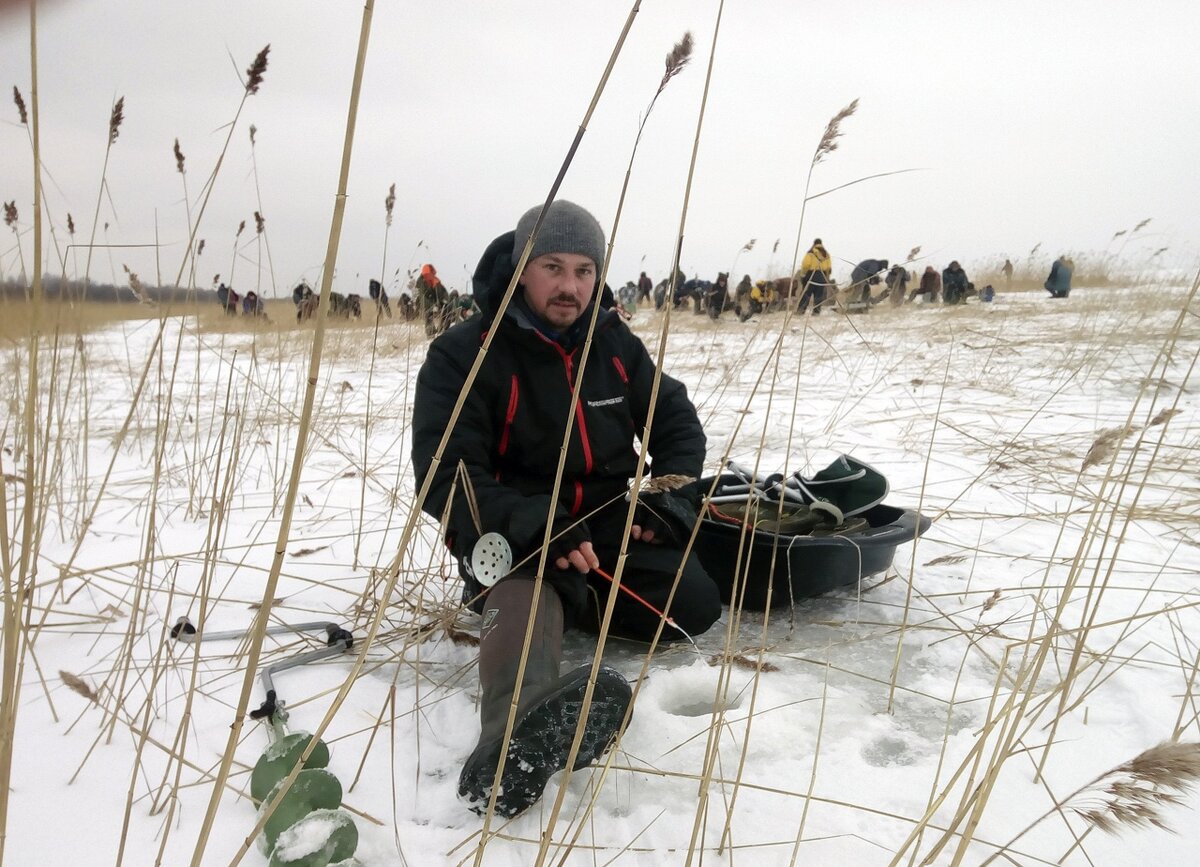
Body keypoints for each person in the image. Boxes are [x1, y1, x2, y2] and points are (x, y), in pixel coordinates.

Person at [412, 200, 720, 819]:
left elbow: (677, 425)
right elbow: (445, 476)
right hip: (519, 539)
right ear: (523, 269)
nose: (570, 286)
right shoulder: (463, 354)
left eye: (584, 270)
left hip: (605, 532)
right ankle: (505, 742)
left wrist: (668, 501)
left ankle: (567, 610)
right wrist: (534, 529)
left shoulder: (614, 343)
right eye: (553, 267)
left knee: (694, 604)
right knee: (530, 589)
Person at [415, 263, 448, 336]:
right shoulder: (421, 282)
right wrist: (433, 306)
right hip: (426, 304)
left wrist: (445, 299)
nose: (432, 275)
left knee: (445, 312)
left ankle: (443, 330)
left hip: (436, 302)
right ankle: (430, 334)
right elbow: (423, 298)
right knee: (428, 315)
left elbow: (443, 291)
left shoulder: (435, 280)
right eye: (430, 273)